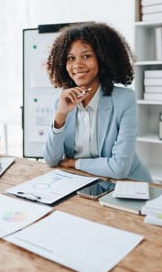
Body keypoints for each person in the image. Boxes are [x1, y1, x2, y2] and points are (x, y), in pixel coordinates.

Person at [43, 22, 152, 182]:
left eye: (86, 56)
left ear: (102, 59)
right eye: (71, 58)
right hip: (82, 184)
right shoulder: (62, 102)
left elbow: (120, 168)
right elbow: (51, 160)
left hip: (129, 184)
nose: (77, 65)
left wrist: (75, 163)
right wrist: (61, 116)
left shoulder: (124, 100)